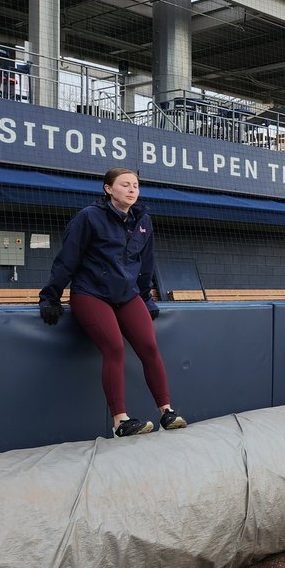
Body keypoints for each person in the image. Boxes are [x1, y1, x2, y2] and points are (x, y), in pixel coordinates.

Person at [38, 168, 187, 438]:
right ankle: (121, 421)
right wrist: (51, 295)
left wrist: (145, 298)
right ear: (108, 189)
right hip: (91, 293)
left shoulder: (143, 220)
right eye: (125, 185)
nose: (132, 190)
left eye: (136, 186)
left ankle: (167, 412)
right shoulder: (89, 217)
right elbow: (67, 259)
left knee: (149, 346)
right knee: (114, 347)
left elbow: (146, 264)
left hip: (127, 295)